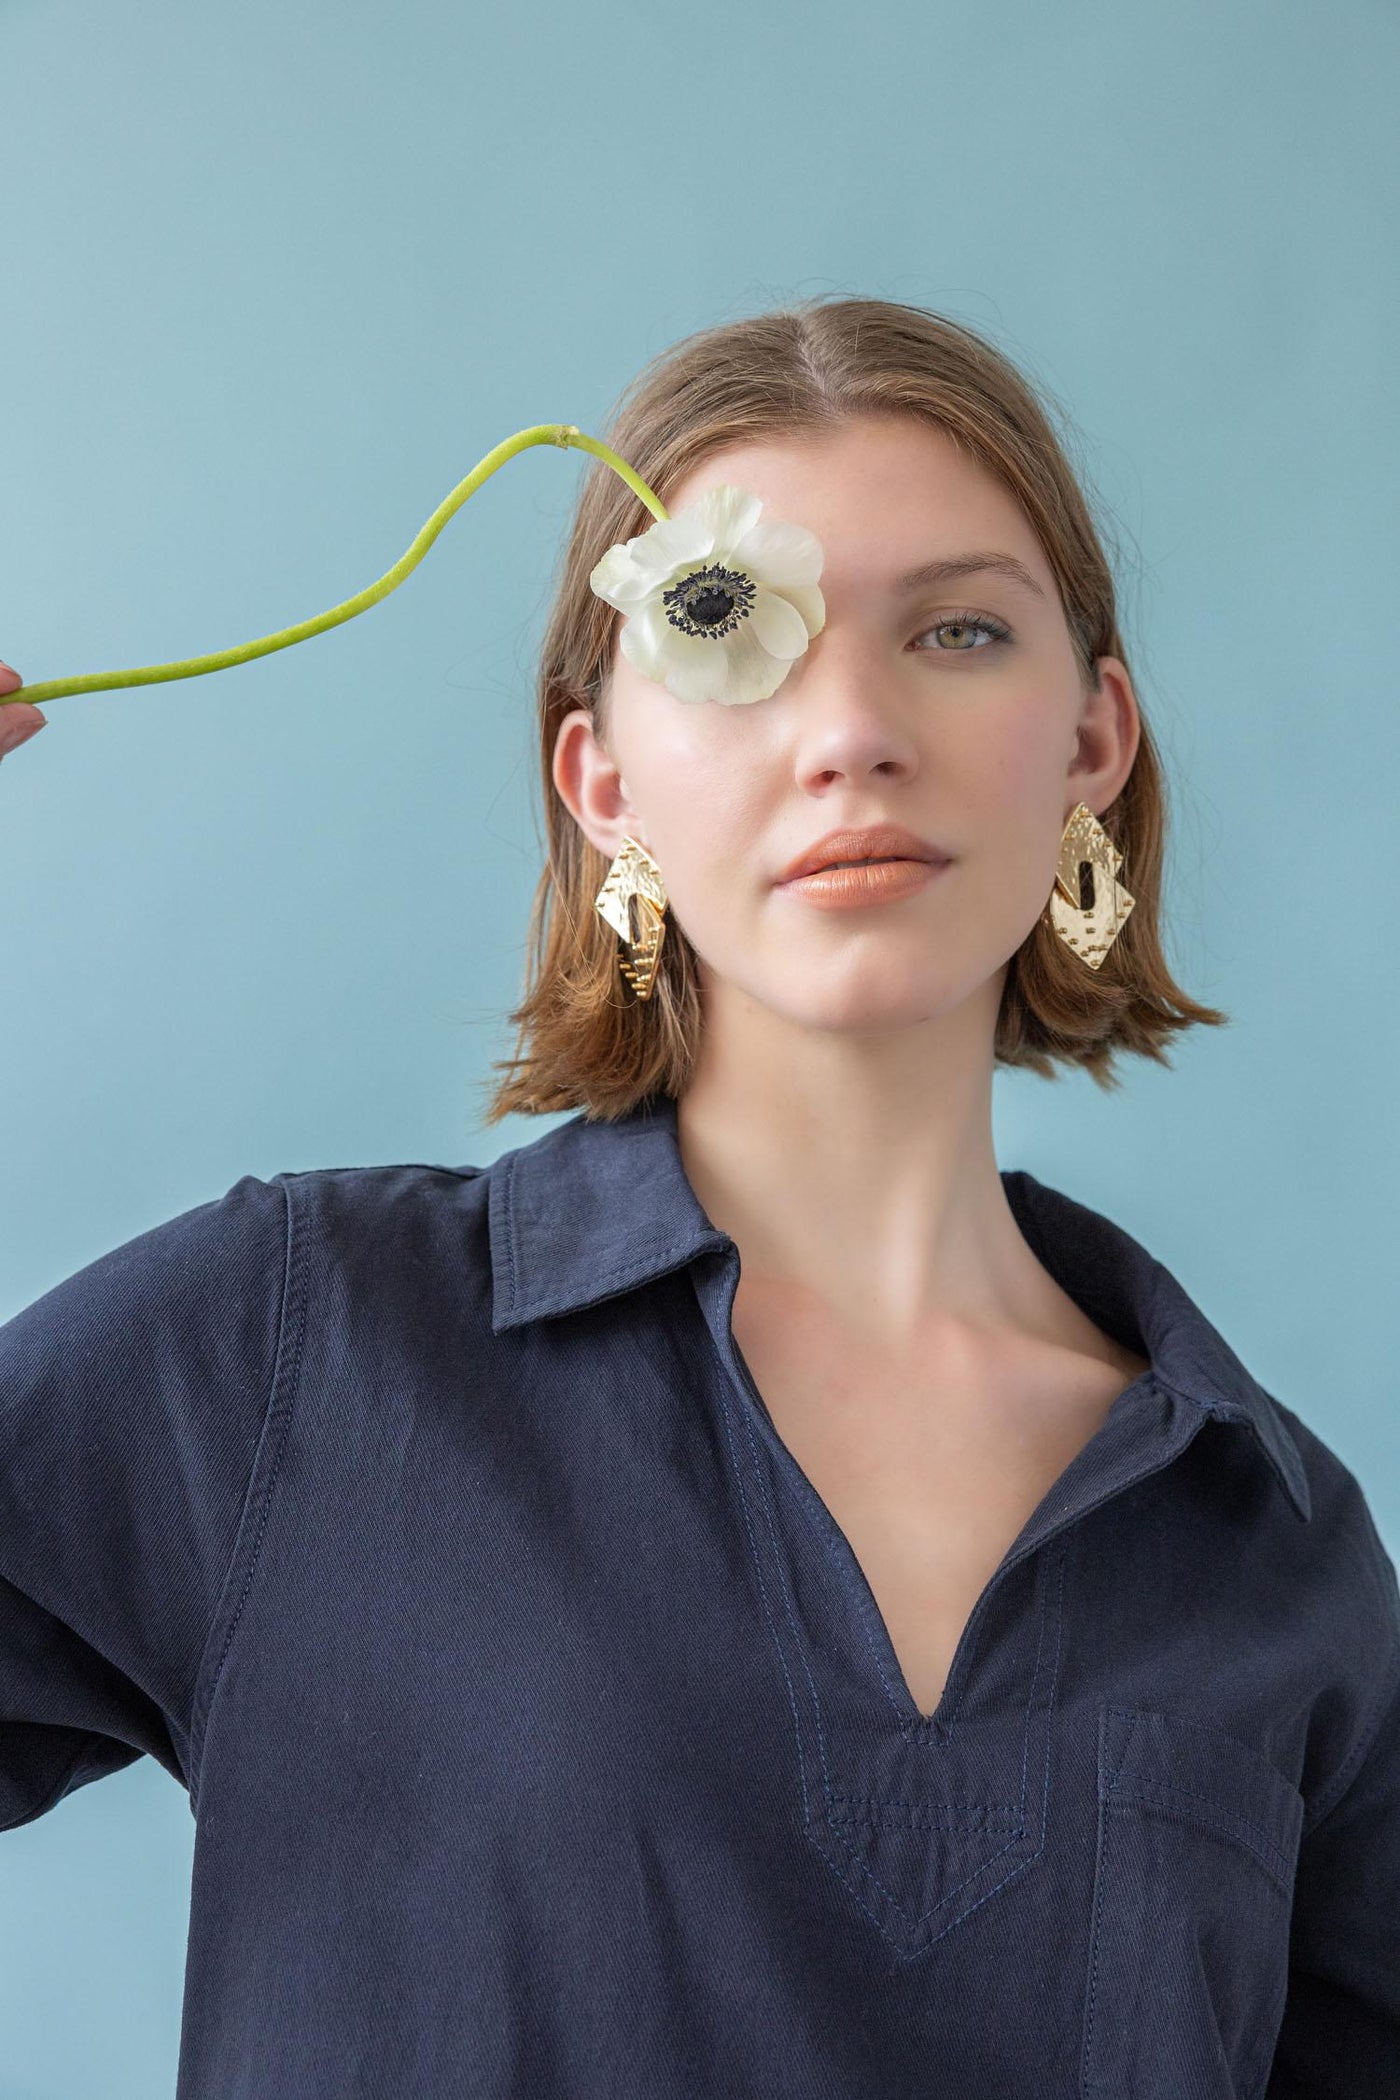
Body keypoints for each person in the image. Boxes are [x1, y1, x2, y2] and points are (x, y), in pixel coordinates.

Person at [2, 296, 1396, 2097]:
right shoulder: (291, 1345)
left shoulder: (1279, 1549)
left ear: (1092, 745)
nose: (855, 731)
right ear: (604, 785)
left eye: (960, 631)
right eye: (731, 625)